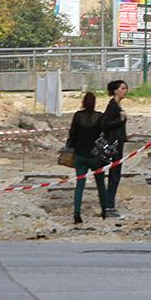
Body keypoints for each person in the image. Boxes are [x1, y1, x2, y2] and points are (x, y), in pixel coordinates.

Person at [65, 92, 107, 224]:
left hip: (80, 156)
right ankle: (104, 210)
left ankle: (77, 213)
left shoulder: (77, 116)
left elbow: (72, 134)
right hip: (96, 157)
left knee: (80, 186)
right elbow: (104, 135)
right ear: (94, 103)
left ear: (83, 102)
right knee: (100, 185)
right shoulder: (99, 117)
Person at [102, 79, 129, 217]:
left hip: (118, 144)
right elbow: (105, 124)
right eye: (122, 88)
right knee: (114, 176)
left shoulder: (116, 105)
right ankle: (108, 206)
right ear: (115, 91)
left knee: (115, 176)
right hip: (114, 146)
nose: (125, 91)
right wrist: (120, 119)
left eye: (125, 88)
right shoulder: (113, 106)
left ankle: (109, 205)